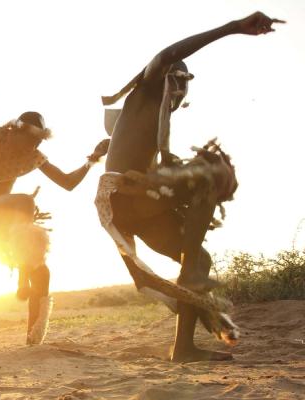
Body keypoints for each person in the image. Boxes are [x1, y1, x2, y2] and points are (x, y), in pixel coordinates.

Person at [96, 11, 283, 362]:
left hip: (140, 205)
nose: (181, 90)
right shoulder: (147, 91)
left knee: (198, 257)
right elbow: (166, 56)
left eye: (186, 84)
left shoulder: (158, 120)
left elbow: (157, 171)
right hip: (124, 196)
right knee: (209, 171)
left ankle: (182, 348)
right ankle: (196, 310)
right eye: (177, 80)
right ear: (165, 76)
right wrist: (232, 28)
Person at [0, 91, 109, 345]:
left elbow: (67, 182)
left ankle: (33, 338)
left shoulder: (31, 155)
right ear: (15, 130)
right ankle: (21, 274)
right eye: (31, 140)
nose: (34, 147)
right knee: (25, 201)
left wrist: (93, 159)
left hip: (3, 231)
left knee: (41, 271)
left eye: (38, 142)